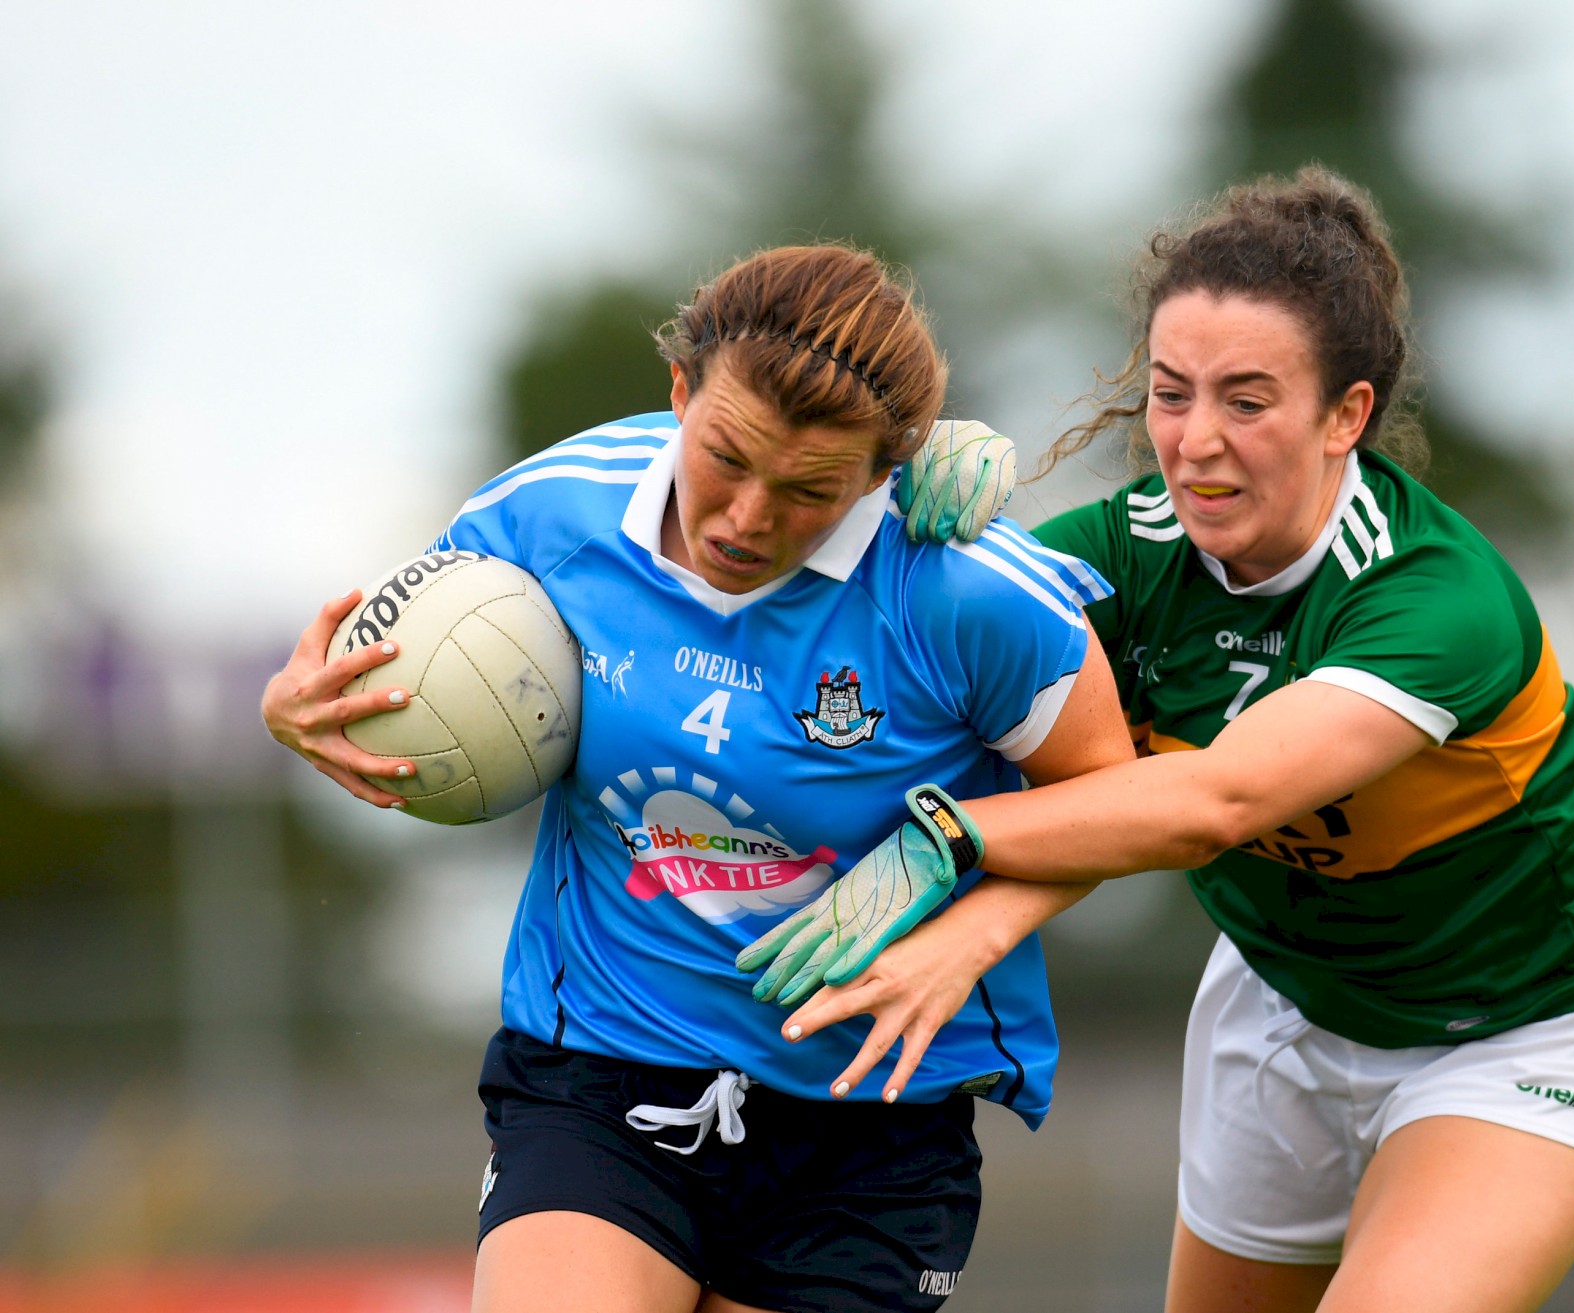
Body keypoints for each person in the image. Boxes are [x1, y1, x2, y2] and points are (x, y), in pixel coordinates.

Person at [750, 171, 1574, 1313]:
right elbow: (952, 701)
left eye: (1246, 400)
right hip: (1283, 1006)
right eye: (1171, 393)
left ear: (1345, 413)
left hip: (1520, 1029)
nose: (1193, 443)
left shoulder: (1434, 601)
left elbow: (1213, 803)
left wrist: (950, 844)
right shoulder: (1120, 558)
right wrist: (905, 515)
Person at [261, 242, 1135, 1313]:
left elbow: (1119, 797)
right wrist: (298, 710)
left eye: (810, 487)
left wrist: (968, 925)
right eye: (724, 455)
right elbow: (421, 676)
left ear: (881, 471)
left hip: (872, 1131)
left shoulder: (966, 589)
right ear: (679, 391)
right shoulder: (548, 513)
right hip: (601, 1078)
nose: (744, 517)